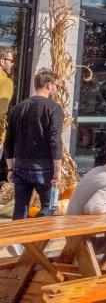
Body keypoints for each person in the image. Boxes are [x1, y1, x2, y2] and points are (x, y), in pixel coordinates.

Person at [3, 67, 62, 218]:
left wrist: (10, 169)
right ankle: (38, 240)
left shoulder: (17, 108)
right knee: (48, 207)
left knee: (20, 208)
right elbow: (55, 140)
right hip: (44, 168)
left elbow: (8, 141)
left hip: (20, 167)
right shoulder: (53, 108)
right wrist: (58, 170)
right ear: (48, 85)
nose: (56, 88)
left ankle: (16, 241)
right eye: (56, 85)